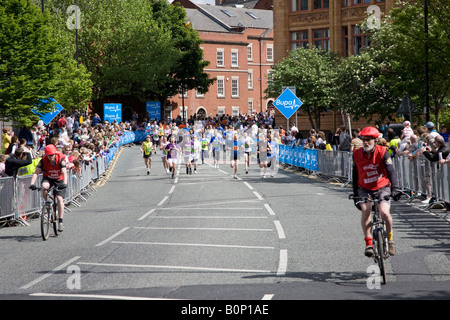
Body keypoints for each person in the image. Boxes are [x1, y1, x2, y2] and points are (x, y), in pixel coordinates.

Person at [352, 126, 400, 258]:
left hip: (382, 187)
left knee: (384, 213)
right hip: (364, 188)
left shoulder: (383, 152)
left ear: (375, 140)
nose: (366, 142)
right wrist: (355, 193)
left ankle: (390, 240)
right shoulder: (356, 154)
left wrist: (394, 188)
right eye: (364, 139)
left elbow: (391, 171)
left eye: (369, 140)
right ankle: (369, 244)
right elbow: (355, 175)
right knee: (366, 210)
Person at [29, 144, 68, 232]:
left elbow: (65, 173)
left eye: (52, 155)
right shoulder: (43, 160)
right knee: (44, 187)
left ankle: (60, 221)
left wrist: (64, 183)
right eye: (49, 155)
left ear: (55, 153)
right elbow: (36, 173)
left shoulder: (60, 159)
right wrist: (32, 183)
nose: (51, 157)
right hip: (48, 178)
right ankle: (47, 203)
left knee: (59, 199)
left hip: (59, 179)